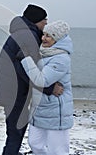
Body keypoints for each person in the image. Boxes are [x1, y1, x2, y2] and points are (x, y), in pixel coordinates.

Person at [0, 4, 64, 155]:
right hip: (12, 91)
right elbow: (26, 70)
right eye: (44, 20)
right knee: (16, 131)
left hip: (7, 88)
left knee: (16, 128)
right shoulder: (28, 36)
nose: (46, 24)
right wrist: (50, 89)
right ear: (36, 21)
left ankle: (11, 152)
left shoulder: (23, 33)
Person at [20, 20, 74, 155]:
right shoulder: (44, 53)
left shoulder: (61, 58)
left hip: (56, 111)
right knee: (35, 144)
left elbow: (41, 81)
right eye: (44, 34)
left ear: (57, 39)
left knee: (58, 151)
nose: (43, 38)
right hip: (39, 109)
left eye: (49, 36)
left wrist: (26, 60)